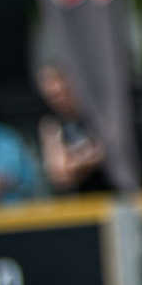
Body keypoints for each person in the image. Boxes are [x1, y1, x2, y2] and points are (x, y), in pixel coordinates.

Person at [35, 64, 110, 193]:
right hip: (76, 200)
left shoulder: (95, 115)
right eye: (51, 97)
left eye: (59, 94)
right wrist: (89, 161)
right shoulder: (51, 124)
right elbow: (60, 173)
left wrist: (74, 161)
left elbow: (109, 153)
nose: (56, 101)